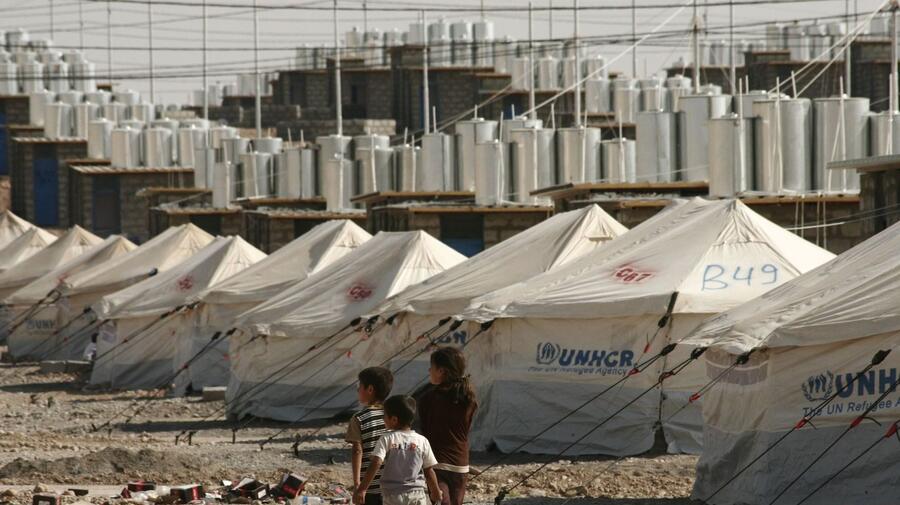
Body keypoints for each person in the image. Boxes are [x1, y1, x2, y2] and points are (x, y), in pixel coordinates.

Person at [353, 395, 442, 505]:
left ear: (394, 419)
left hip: (393, 495)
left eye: (385, 416)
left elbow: (376, 462)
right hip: (417, 495)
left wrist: (362, 489)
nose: (383, 419)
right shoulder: (422, 441)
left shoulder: (387, 438)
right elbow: (429, 471)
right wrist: (435, 491)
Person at [417, 347, 478, 505]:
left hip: (437, 462)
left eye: (432, 367)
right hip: (461, 462)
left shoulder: (428, 398)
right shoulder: (469, 398)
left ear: (441, 371)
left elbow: (424, 429)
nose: (429, 370)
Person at [347, 367, 394, 505]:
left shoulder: (359, 418)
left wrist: (357, 484)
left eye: (360, 386)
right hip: (392, 485)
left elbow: (357, 451)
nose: (358, 390)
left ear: (370, 389)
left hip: (369, 487)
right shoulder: (393, 417)